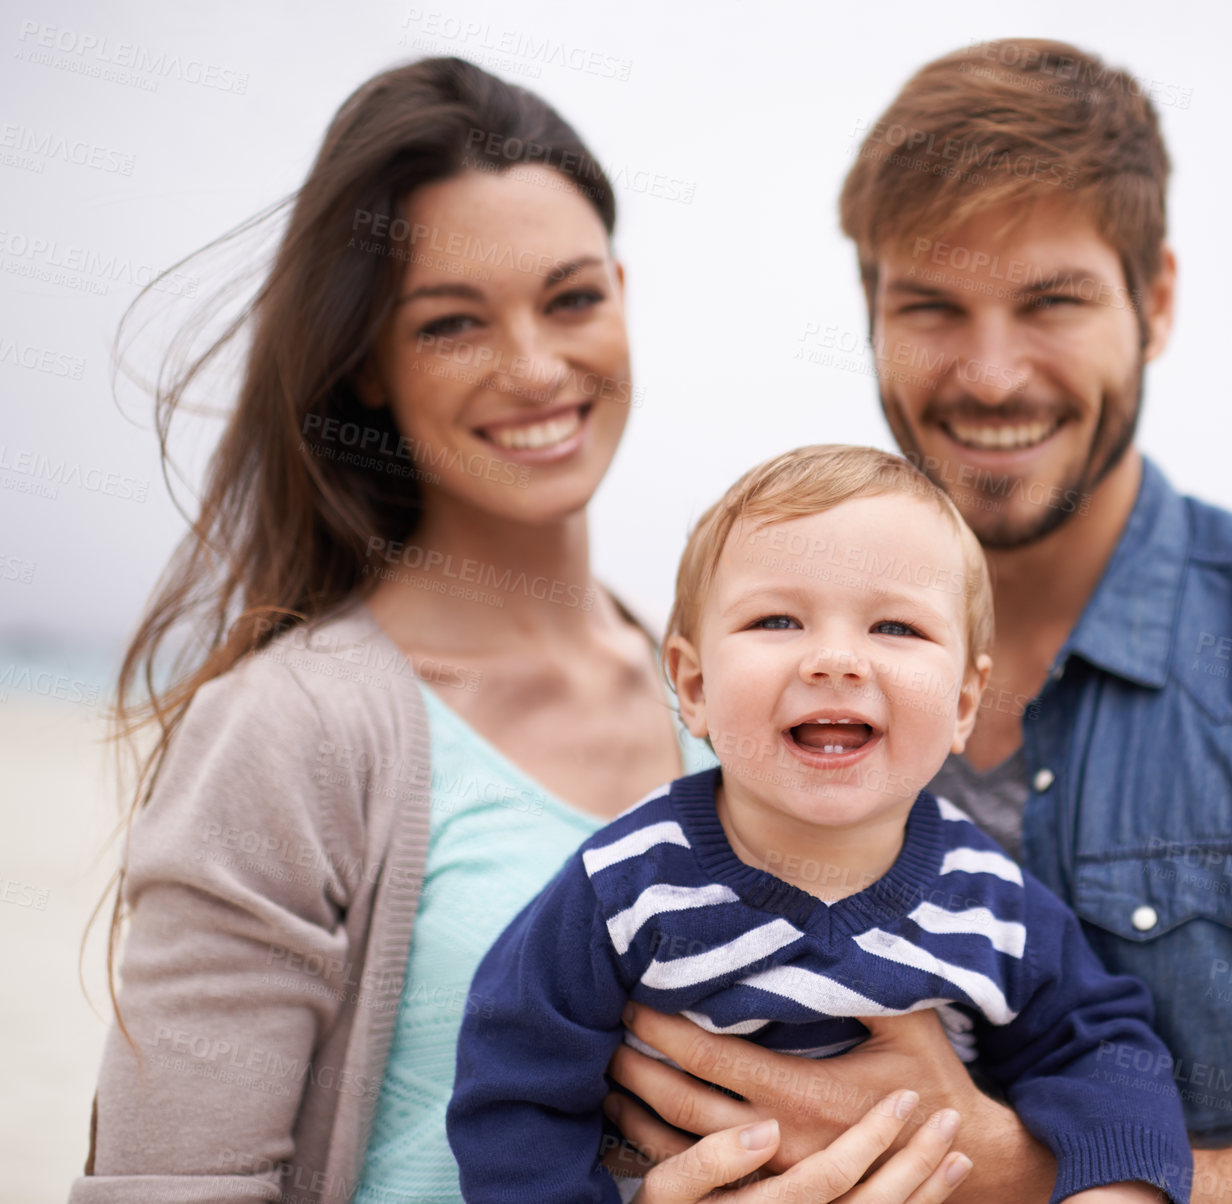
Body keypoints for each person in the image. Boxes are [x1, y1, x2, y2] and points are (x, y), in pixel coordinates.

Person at [597, 38, 1232, 1204]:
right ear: (871, 311)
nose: (988, 373)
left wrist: (1025, 1176)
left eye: (1051, 302)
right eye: (932, 305)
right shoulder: (733, 655)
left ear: (1155, 300)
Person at [73, 58, 965, 1204]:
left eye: (573, 297)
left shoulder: (748, 694)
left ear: (623, 293)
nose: (537, 366)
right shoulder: (287, 732)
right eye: (452, 323)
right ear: (367, 367)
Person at [447, 445, 1193, 1204]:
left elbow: (1101, 1047)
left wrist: (1117, 1187)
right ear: (694, 685)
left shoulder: (990, 900)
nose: (835, 660)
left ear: (964, 704)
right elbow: (512, 1078)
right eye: (777, 619)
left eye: (896, 628)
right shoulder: (624, 882)